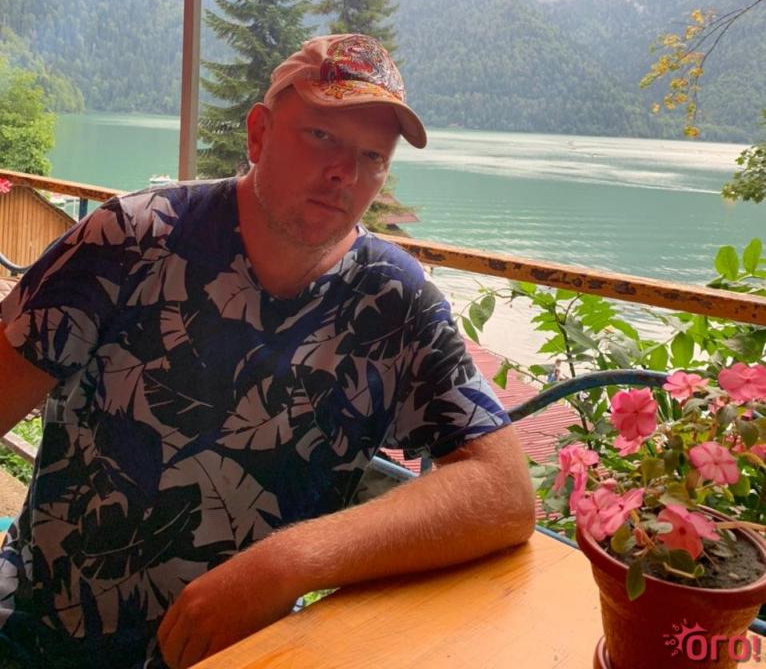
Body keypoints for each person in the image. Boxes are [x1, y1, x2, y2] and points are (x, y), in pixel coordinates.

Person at [0, 34, 535, 669]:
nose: (345, 173)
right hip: (42, 633)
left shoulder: (393, 300)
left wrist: (287, 562)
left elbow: (505, 492)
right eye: (322, 136)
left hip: (245, 653)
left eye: (372, 156)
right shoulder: (132, 238)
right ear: (258, 134)